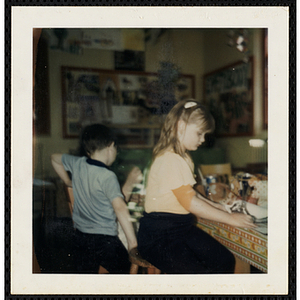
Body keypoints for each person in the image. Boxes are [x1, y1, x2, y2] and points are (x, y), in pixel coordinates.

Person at [137, 99, 256, 274]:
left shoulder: (183, 157)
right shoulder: (170, 159)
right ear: (180, 126)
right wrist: (230, 219)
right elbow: (190, 202)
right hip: (158, 237)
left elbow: (189, 191)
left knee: (224, 260)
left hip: (179, 228)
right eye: (200, 133)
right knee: (197, 274)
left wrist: (215, 206)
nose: (202, 140)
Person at [51, 124, 142, 274]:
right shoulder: (107, 176)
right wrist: (133, 243)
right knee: (127, 270)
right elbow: (120, 208)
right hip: (104, 241)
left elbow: (54, 158)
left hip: (80, 239)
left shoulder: (78, 163)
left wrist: (68, 181)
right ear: (111, 146)